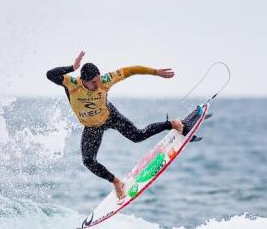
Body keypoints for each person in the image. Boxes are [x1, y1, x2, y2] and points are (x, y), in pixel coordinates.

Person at [46, 50, 184, 200]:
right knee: (88, 161)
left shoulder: (105, 80)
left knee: (137, 136)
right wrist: (72, 67)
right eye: (93, 82)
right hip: (92, 127)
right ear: (83, 81)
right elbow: (50, 74)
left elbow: (130, 70)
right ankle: (116, 182)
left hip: (110, 116)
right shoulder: (71, 84)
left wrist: (155, 72)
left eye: (98, 80)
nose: (98, 84)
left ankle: (172, 124)